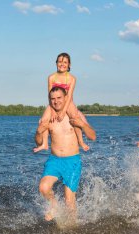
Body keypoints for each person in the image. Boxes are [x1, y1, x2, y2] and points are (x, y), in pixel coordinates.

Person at [35, 86, 96, 222]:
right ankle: (54, 206)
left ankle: (72, 227)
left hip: (72, 161)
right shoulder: (48, 116)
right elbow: (38, 142)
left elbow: (93, 136)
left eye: (59, 98)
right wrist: (39, 131)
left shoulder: (75, 114)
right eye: (53, 99)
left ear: (65, 98)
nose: (56, 101)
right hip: (54, 160)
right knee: (43, 187)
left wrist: (83, 125)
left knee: (69, 201)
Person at [34, 52, 90, 153]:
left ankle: (80, 142)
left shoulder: (72, 78)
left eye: (65, 62)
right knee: (44, 120)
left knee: (75, 117)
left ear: (69, 65)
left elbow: (69, 96)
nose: (62, 64)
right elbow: (49, 95)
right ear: (56, 63)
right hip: (54, 103)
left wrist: (64, 111)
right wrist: (53, 111)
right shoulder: (51, 77)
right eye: (60, 62)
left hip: (68, 102)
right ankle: (45, 144)